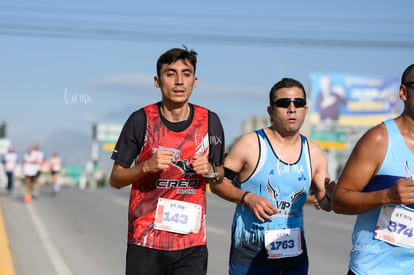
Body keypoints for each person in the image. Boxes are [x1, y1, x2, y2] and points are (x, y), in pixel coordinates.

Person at [109, 46, 225, 275]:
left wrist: (211, 170)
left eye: (186, 74)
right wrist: (146, 166)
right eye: (170, 74)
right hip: (145, 240)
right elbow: (116, 178)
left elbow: (220, 174)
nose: (179, 81)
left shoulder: (211, 122)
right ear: (157, 80)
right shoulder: (140, 120)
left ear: (195, 81)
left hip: (191, 244)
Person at [210, 77, 335, 275]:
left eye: (299, 103)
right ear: (270, 111)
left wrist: (332, 196)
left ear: (306, 110)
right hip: (250, 253)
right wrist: (247, 197)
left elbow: (325, 202)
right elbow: (218, 184)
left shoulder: (315, 153)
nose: (292, 108)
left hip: (294, 255)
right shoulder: (250, 144)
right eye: (284, 103)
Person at [332, 64, 414, 275]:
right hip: (375, 269)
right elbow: (339, 200)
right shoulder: (379, 139)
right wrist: (387, 196)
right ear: (404, 92)